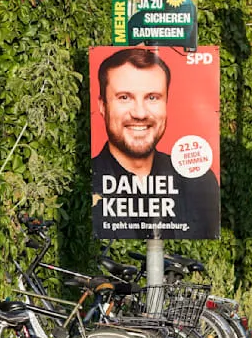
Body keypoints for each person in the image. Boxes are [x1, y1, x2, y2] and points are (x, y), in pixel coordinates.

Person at [92, 48, 220, 239]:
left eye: (152, 98)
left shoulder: (199, 183)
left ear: (166, 104)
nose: (140, 113)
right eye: (124, 98)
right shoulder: (88, 181)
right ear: (103, 106)